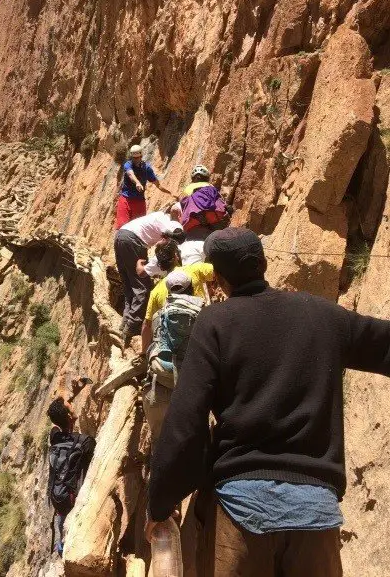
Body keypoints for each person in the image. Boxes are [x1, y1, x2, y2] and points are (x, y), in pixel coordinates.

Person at [146, 227, 390, 577]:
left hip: (240, 510)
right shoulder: (323, 315)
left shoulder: (215, 323)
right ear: (263, 262)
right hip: (316, 514)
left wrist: (161, 501)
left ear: (216, 278)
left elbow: (186, 421)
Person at [142, 270, 204, 444]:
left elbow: (151, 343)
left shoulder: (158, 317)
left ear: (169, 292)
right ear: (192, 289)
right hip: (191, 392)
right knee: (193, 445)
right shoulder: (204, 315)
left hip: (159, 388)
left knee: (160, 445)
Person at [115, 208, 183, 340]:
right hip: (134, 240)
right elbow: (167, 248)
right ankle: (133, 327)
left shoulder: (158, 216)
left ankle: (125, 323)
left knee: (129, 284)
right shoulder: (173, 225)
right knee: (142, 287)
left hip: (121, 235)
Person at [47, 377, 95, 557]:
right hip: (77, 503)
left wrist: (71, 396)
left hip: (60, 503)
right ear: (69, 416)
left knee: (63, 534)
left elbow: (55, 415)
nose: (71, 405)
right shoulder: (85, 443)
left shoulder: (54, 438)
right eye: (70, 406)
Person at [140, 238, 214, 355]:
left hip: (177, 347)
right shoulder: (195, 270)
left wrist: (144, 351)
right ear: (176, 256)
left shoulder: (156, 291)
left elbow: (147, 324)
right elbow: (219, 271)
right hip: (204, 336)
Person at [115, 145, 173, 229]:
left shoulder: (147, 168)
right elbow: (131, 174)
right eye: (134, 158)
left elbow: (158, 185)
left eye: (137, 157)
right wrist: (137, 182)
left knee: (139, 228)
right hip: (126, 199)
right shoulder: (128, 164)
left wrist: (170, 192)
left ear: (141, 156)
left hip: (139, 201)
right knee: (122, 228)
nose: (135, 159)